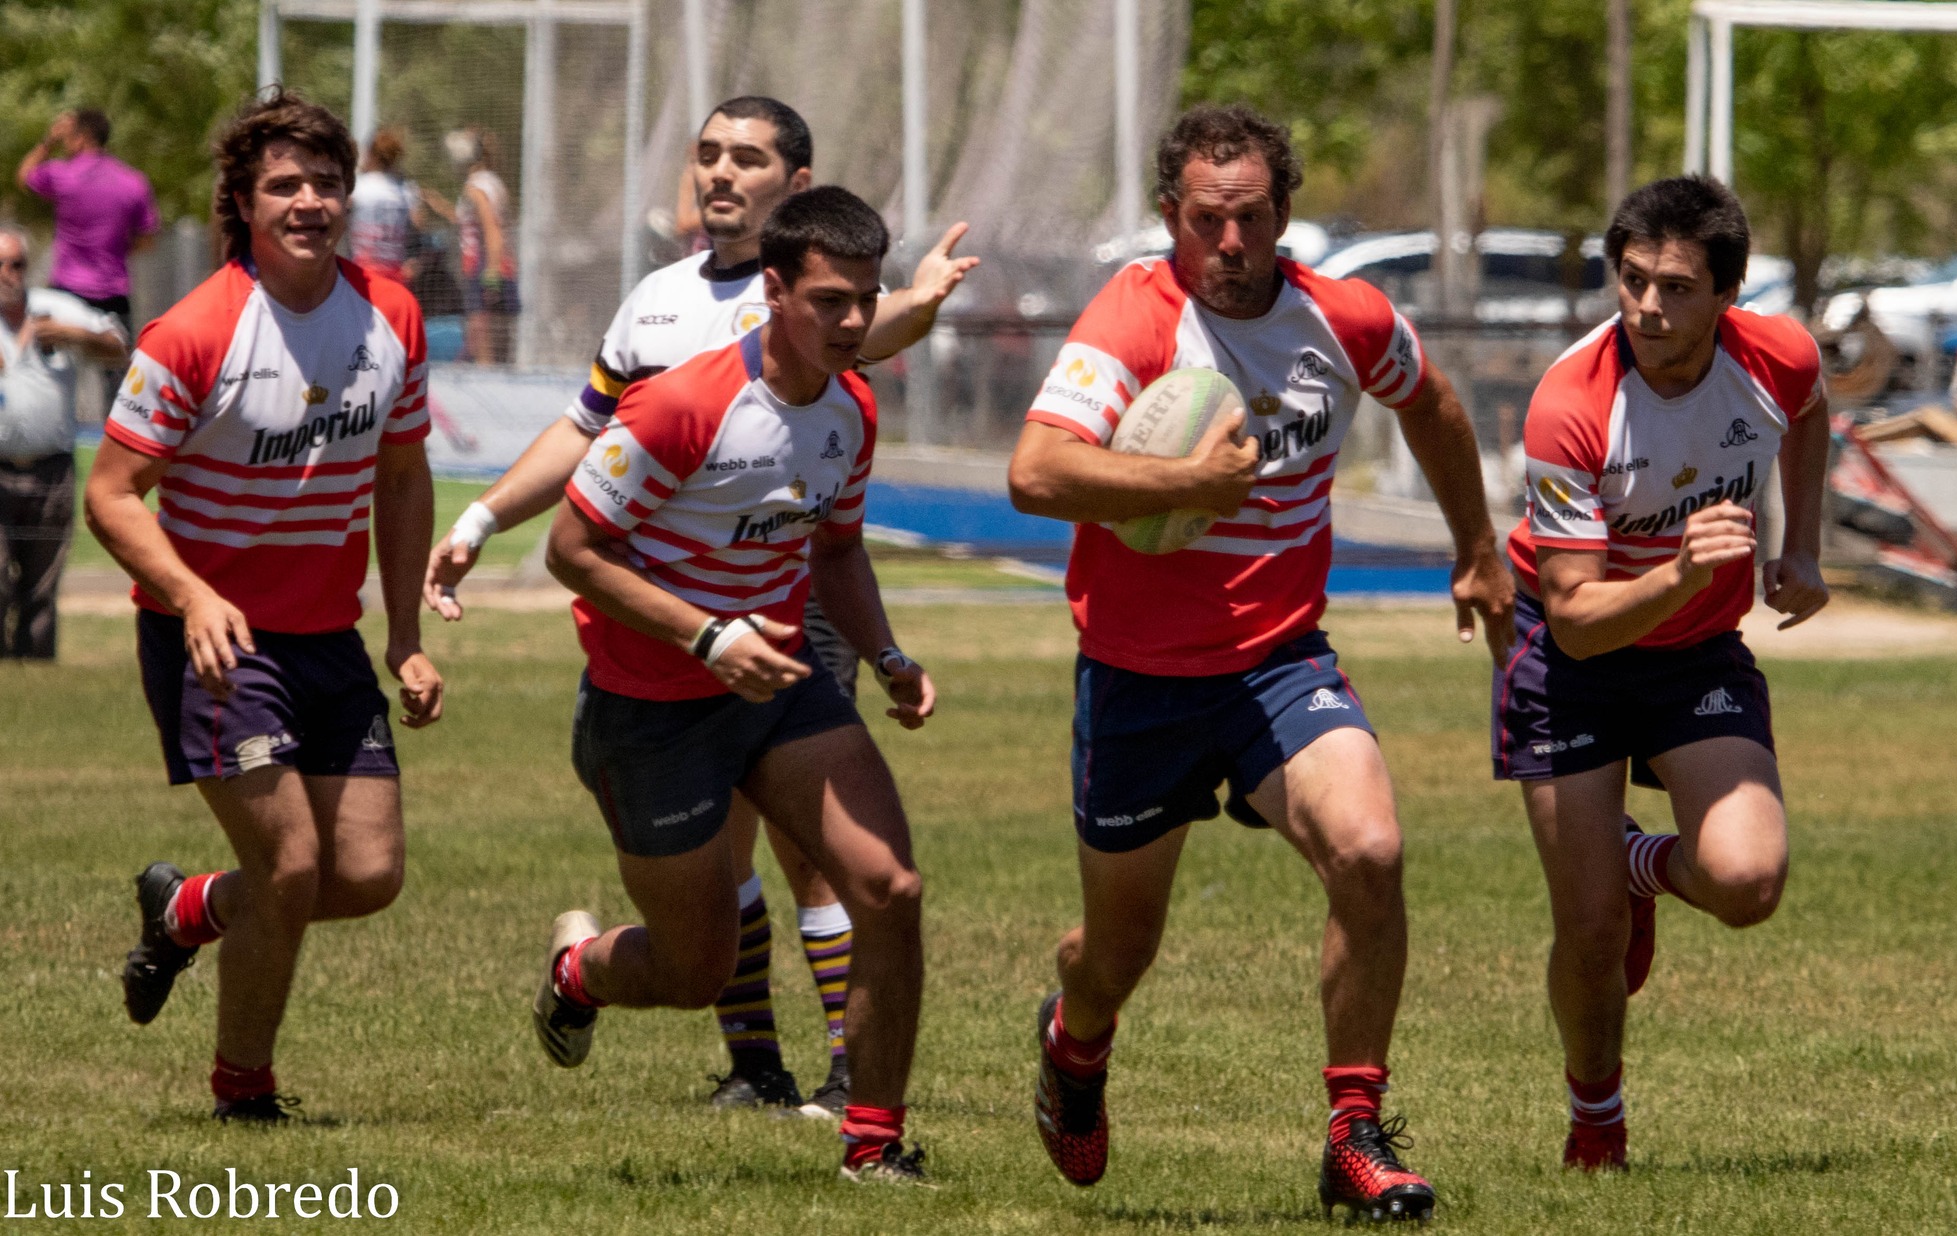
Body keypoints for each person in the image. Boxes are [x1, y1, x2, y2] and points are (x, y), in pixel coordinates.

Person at [1007, 104, 1514, 1221]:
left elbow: (1429, 400)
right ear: (1169, 217)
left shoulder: (1345, 317)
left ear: (1283, 213)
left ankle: (1354, 1135)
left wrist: (1478, 549)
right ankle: (1074, 1043)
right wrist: (1186, 485)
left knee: (1369, 850)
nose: (1228, 244)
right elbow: (1036, 473)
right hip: (1139, 675)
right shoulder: (1133, 318)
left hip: (1280, 663)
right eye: (1205, 220)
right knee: (1117, 953)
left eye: (1249, 219)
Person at [423, 95, 976, 1117]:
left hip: (784, 609)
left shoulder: (833, 329)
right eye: (708, 154)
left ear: (795, 185)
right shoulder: (659, 309)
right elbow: (586, 437)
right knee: (707, 908)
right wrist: (484, 516)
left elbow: (865, 347)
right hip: (662, 644)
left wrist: (887, 652)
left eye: (747, 158)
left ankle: (859, 1100)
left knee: (848, 866)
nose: (720, 173)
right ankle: (743, 1057)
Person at [533, 186, 936, 1183]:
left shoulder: (851, 407)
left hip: (779, 690)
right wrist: (707, 637)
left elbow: (835, 552)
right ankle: (579, 971)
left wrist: (886, 656)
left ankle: (872, 1144)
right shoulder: (680, 405)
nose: (854, 323)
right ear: (774, 293)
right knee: (691, 970)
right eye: (831, 301)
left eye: (867, 299)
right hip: (649, 709)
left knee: (889, 888)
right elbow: (571, 551)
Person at [83, 90, 445, 1123]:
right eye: (284, 185)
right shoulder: (194, 332)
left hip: (328, 638)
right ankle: (244, 1095)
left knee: (365, 873)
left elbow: (403, 475)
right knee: (289, 864)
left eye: (326, 183)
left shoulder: (391, 316)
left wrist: (406, 637)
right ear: (243, 204)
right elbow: (111, 494)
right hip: (214, 641)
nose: (309, 202)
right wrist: (191, 595)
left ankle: (188, 908)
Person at [1494, 175, 1829, 1171]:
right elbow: (1575, 621)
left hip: (1695, 654)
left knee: (1746, 882)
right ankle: (1595, 1117)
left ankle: (1643, 864)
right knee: (1589, 930)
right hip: (1570, 659)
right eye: (1632, 279)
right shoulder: (1570, 406)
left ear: (1725, 293)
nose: (1646, 306)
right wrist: (1679, 571)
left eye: (1676, 287)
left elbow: (1811, 412)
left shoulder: (1776, 358)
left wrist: (1801, 547)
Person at [0, 224, 127, 658]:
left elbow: (119, 346)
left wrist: (75, 336)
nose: (6, 274)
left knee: (42, 585)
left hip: (51, 469)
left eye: (15, 264)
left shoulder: (56, 309)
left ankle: (37, 670)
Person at [16, 107, 160, 390]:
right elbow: (147, 239)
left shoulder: (63, 174)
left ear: (81, 138)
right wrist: (117, 248)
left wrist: (48, 140)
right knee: (119, 381)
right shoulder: (132, 181)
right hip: (112, 291)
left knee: (54, 376)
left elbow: (25, 176)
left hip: (66, 290)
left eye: (68, 137)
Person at [447, 128, 517, 364]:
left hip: (485, 266)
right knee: (499, 340)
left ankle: (484, 378)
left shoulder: (475, 187)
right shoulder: (494, 182)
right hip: (501, 263)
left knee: (481, 337)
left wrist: (491, 273)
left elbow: (491, 229)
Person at [349, 128, 427, 285]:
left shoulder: (358, 187)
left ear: (370, 154)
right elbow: (419, 225)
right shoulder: (406, 191)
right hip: (394, 271)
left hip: (361, 270)